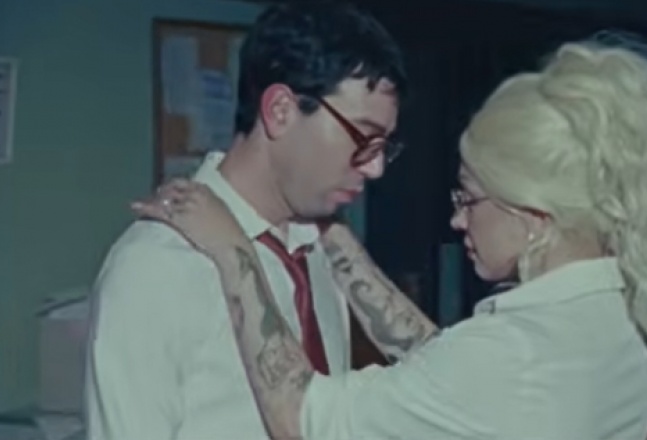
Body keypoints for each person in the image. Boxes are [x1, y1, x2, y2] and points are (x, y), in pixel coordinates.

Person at [134, 40, 647, 439]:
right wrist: (341, 246)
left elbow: (304, 418)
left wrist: (232, 249)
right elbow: (444, 368)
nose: (458, 220)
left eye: (469, 198)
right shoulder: (610, 335)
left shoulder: (509, 357)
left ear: (533, 217)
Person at [84, 3, 433, 440]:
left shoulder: (322, 252)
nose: (375, 167)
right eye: (362, 137)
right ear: (281, 110)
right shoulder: (158, 265)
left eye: (383, 146)